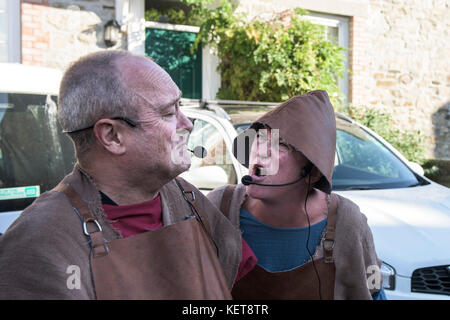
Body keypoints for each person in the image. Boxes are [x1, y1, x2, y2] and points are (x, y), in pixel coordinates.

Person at [0, 50, 247, 299]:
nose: (187, 124)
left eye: (180, 107)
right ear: (112, 136)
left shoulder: (186, 197)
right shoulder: (40, 241)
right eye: (169, 113)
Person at [207, 90, 386, 300]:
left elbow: (374, 293)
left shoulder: (347, 221)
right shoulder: (220, 207)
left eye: (281, 144)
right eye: (260, 137)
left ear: (312, 171)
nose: (262, 151)